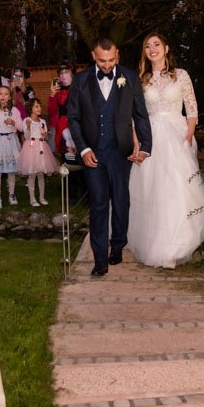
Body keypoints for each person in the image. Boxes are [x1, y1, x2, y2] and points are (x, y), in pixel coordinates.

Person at [66, 37, 152, 276]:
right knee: (99, 204)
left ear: (118, 56)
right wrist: (83, 149)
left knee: (121, 200)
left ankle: (118, 244)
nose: (107, 65)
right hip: (93, 153)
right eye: (102, 60)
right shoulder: (81, 80)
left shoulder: (130, 77)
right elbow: (72, 117)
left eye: (111, 60)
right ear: (94, 56)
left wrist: (145, 146)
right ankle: (100, 260)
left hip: (121, 151)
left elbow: (140, 114)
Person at [127, 34, 204, 268]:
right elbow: (137, 114)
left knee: (177, 187)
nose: (152, 49)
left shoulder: (181, 75)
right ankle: (159, 245)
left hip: (177, 134)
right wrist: (136, 141)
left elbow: (192, 108)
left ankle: (180, 243)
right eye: (147, 46)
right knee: (155, 190)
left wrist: (187, 135)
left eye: (156, 45)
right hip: (150, 137)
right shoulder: (141, 79)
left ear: (166, 48)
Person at [18, 98, 59, 206]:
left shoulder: (42, 121)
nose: (39, 108)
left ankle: (41, 197)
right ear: (30, 108)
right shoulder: (26, 120)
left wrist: (45, 135)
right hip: (31, 148)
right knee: (32, 174)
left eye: (40, 106)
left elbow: (44, 135)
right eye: (36, 106)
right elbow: (27, 136)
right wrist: (27, 126)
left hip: (42, 147)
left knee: (41, 174)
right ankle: (32, 199)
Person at [47, 64, 74, 153]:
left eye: (66, 72)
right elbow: (51, 111)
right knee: (63, 153)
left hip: (75, 126)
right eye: (61, 73)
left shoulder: (78, 89)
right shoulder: (57, 92)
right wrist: (52, 94)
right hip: (59, 128)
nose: (63, 75)